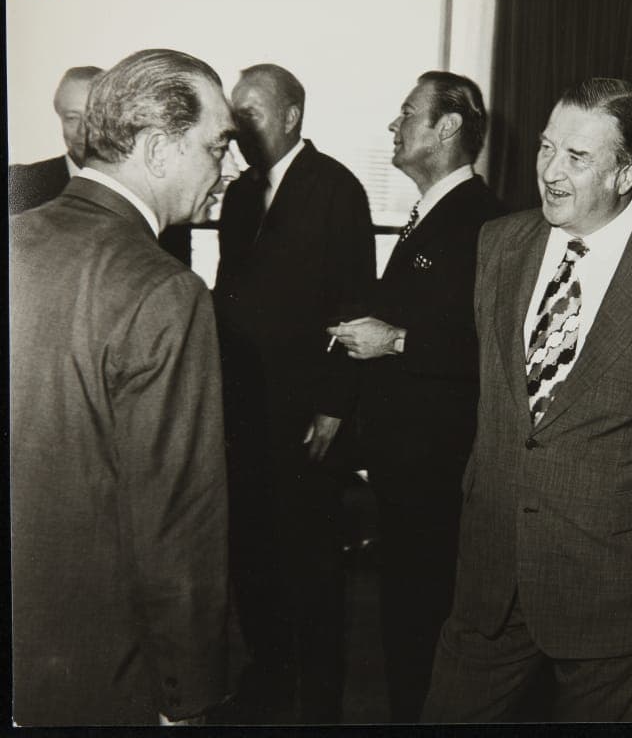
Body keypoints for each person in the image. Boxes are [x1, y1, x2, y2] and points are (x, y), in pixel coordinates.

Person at [420, 77, 632, 722]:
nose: (550, 172)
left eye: (577, 157)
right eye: (545, 148)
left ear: (628, 173)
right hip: (492, 572)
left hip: (611, 591)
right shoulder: (498, 244)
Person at [10, 48, 239, 725]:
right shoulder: (164, 292)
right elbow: (177, 523)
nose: (227, 171)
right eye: (219, 146)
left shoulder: (13, 236)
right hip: (103, 674)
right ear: (160, 149)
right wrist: (187, 697)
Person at [328, 71, 503, 722]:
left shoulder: (486, 224)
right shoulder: (430, 216)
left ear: (447, 128)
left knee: (424, 628)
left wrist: (397, 341)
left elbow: (494, 350)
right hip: (405, 466)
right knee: (405, 622)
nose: (392, 128)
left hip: (438, 472)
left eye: (407, 114)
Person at [212, 63, 376, 724]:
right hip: (244, 411)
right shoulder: (239, 195)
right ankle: (268, 678)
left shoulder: (337, 188)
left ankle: (321, 700)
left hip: (309, 415)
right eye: (234, 112)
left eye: (252, 111)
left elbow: (355, 300)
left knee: (308, 560)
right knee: (251, 552)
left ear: (291, 116)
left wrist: (336, 405)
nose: (238, 124)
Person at [8, 65, 102, 214]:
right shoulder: (18, 183)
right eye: (72, 118)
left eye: (94, 117)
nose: (83, 130)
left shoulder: (140, 188)